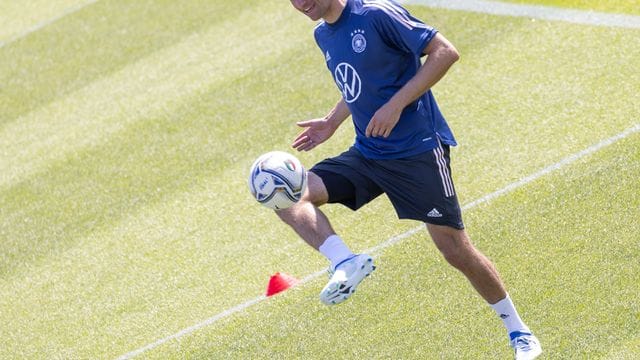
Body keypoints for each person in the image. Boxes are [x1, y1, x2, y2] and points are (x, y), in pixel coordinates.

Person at [280, 0, 542, 358]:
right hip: (370, 153)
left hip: (416, 151)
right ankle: (345, 262)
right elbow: (361, 81)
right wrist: (332, 121)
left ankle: (519, 331)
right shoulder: (323, 34)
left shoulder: (375, 14)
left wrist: (396, 105)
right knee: (286, 193)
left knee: (453, 249)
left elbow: (444, 52)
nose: (300, 3)